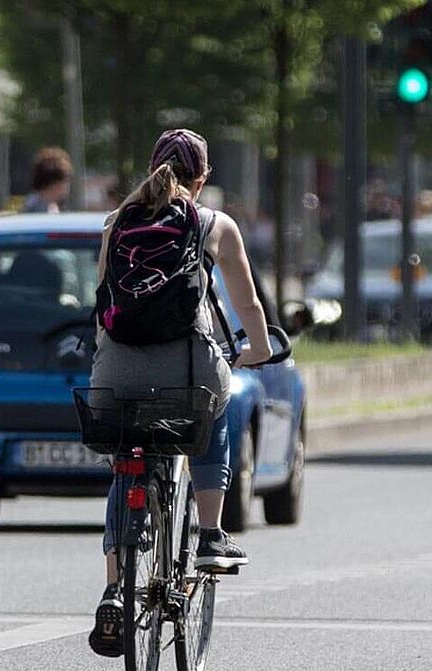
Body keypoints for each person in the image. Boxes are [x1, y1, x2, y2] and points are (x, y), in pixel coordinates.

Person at [88, 129, 272, 657]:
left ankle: (114, 591)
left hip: (116, 373)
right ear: (204, 176)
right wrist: (255, 350)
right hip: (190, 368)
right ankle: (211, 535)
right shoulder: (216, 224)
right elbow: (250, 306)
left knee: (128, 457)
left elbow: (102, 305)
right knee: (217, 406)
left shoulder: (114, 223)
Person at [21, 147, 73, 214]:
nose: (67, 187)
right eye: (66, 181)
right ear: (55, 185)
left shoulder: (30, 204)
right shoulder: (38, 210)